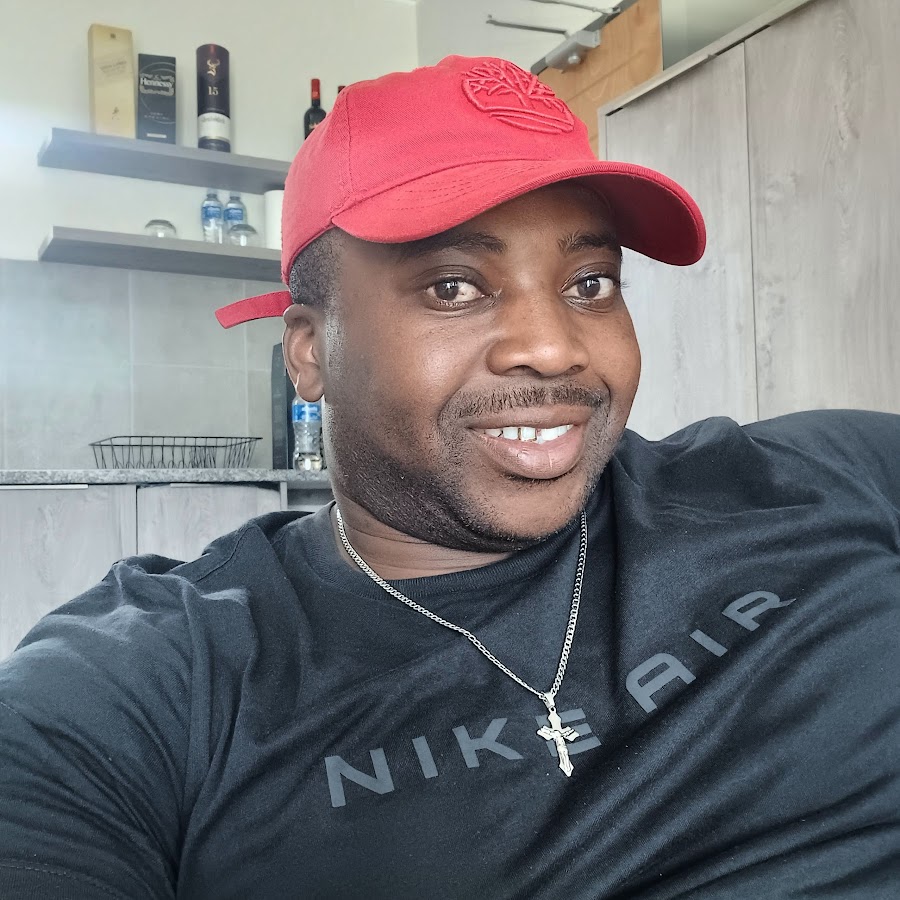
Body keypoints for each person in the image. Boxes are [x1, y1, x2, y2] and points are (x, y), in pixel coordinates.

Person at [1, 55, 898, 899]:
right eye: (453, 287)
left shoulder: (827, 474)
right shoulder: (153, 686)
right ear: (309, 352)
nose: (553, 347)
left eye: (589, 283)